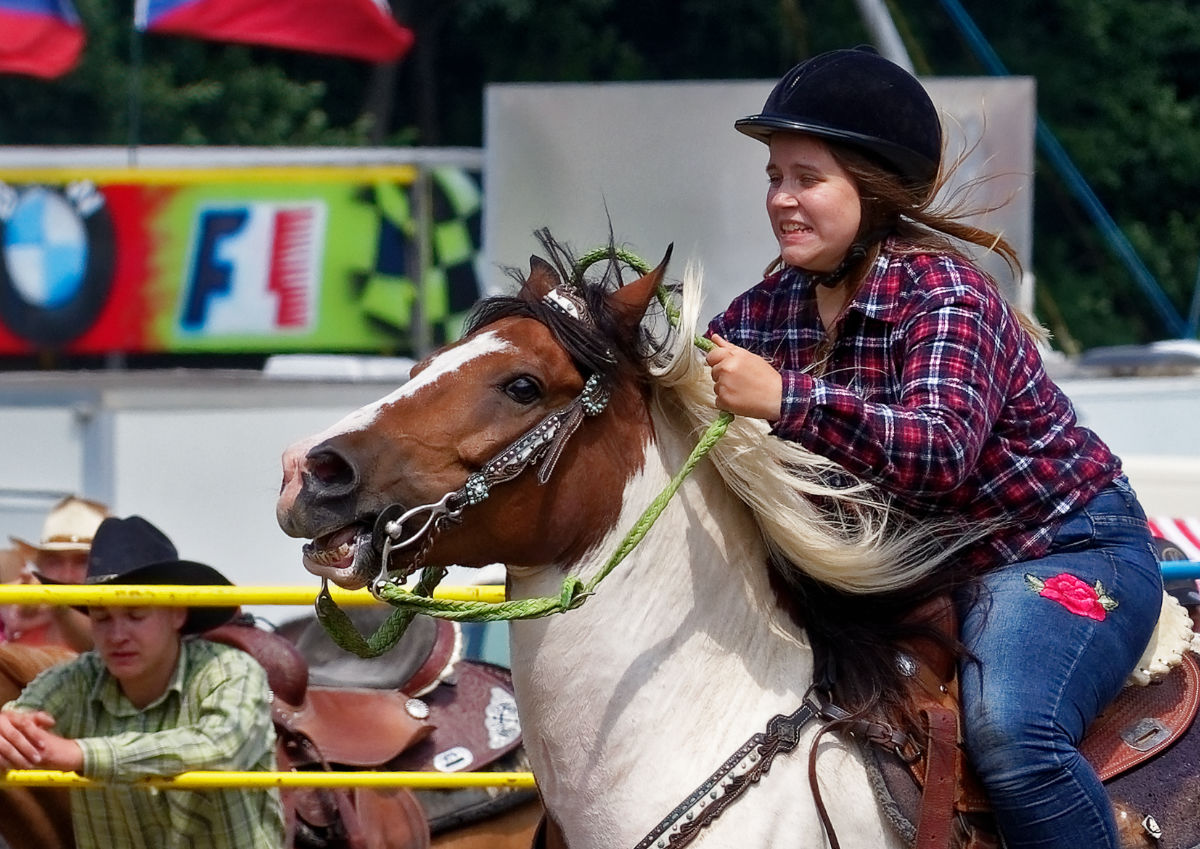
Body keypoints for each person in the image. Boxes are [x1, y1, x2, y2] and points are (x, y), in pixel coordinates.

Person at [704, 46, 1163, 849]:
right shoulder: (762, 310)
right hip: (907, 575)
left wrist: (785, 397)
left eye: (806, 178)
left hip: (1056, 550)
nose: (780, 199)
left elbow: (938, 449)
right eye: (774, 176)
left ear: (873, 190)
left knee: (1015, 734)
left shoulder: (948, 295)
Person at [0, 515, 284, 849]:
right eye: (102, 618)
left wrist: (80, 753)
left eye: (136, 615)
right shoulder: (77, 678)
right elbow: (20, 720)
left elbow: (221, 747)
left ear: (177, 614)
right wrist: (7, 729)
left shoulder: (231, 670)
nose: (118, 636)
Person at [5, 495, 109, 650]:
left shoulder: (127, 640)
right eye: (54, 561)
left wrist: (59, 607)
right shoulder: (16, 636)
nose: (67, 576)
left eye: (82, 561)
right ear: (40, 567)